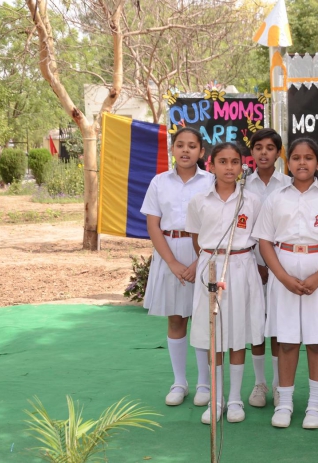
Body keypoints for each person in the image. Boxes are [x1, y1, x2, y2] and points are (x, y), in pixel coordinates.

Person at [252, 138, 318, 429]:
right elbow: (265, 241)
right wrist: (282, 277)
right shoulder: (276, 198)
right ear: (288, 163)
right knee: (286, 341)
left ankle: (315, 404)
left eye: (308, 158)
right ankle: (284, 403)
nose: (302, 163)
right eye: (296, 158)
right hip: (284, 273)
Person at [186, 142, 265, 424]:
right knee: (214, 335)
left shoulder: (251, 200)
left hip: (242, 267)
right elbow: (196, 238)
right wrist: (212, 260)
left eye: (234, 162)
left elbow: (259, 237)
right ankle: (216, 399)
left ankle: (234, 400)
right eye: (222, 161)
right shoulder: (199, 200)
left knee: (237, 334)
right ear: (211, 165)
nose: (229, 167)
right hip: (210, 268)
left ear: (242, 165)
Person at [140, 127, 215, 408]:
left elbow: (217, 222)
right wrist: (171, 262)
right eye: (180, 145)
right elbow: (153, 225)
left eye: (192, 146)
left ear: (201, 151)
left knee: (203, 319)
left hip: (204, 251)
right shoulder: (159, 182)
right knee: (176, 318)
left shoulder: (211, 181)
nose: (186, 150)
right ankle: (179, 382)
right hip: (168, 251)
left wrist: (199, 261)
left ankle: (205, 383)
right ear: (172, 149)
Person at [244, 128, 291, 409]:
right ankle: (259, 383)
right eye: (258, 147)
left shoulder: (288, 184)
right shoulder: (242, 185)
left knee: (277, 325)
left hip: (281, 266)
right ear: (251, 152)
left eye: (270, 148)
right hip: (249, 264)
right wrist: (256, 264)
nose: (264, 153)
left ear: (278, 152)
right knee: (257, 325)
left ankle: (277, 384)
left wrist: (275, 268)